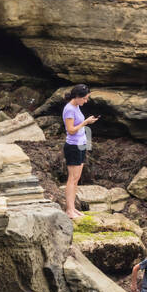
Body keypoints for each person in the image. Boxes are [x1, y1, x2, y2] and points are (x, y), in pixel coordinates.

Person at [62, 83, 99, 220]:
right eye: (84, 98)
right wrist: (85, 123)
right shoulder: (69, 109)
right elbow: (71, 130)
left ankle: (73, 208)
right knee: (72, 179)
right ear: (77, 97)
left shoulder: (76, 106)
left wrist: (88, 123)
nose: (86, 101)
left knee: (76, 179)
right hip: (73, 146)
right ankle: (69, 210)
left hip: (81, 144)